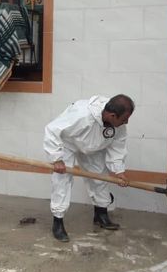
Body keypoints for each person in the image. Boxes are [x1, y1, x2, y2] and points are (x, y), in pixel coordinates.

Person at [43, 94, 134, 242]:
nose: (127, 122)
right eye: (124, 119)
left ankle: (101, 215)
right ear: (112, 115)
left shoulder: (119, 126)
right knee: (62, 181)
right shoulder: (81, 115)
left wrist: (119, 171)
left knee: (99, 178)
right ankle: (58, 222)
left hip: (93, 146)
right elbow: (52, 130)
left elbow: (118, 147)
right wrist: (56, 159)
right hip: (68, 143)